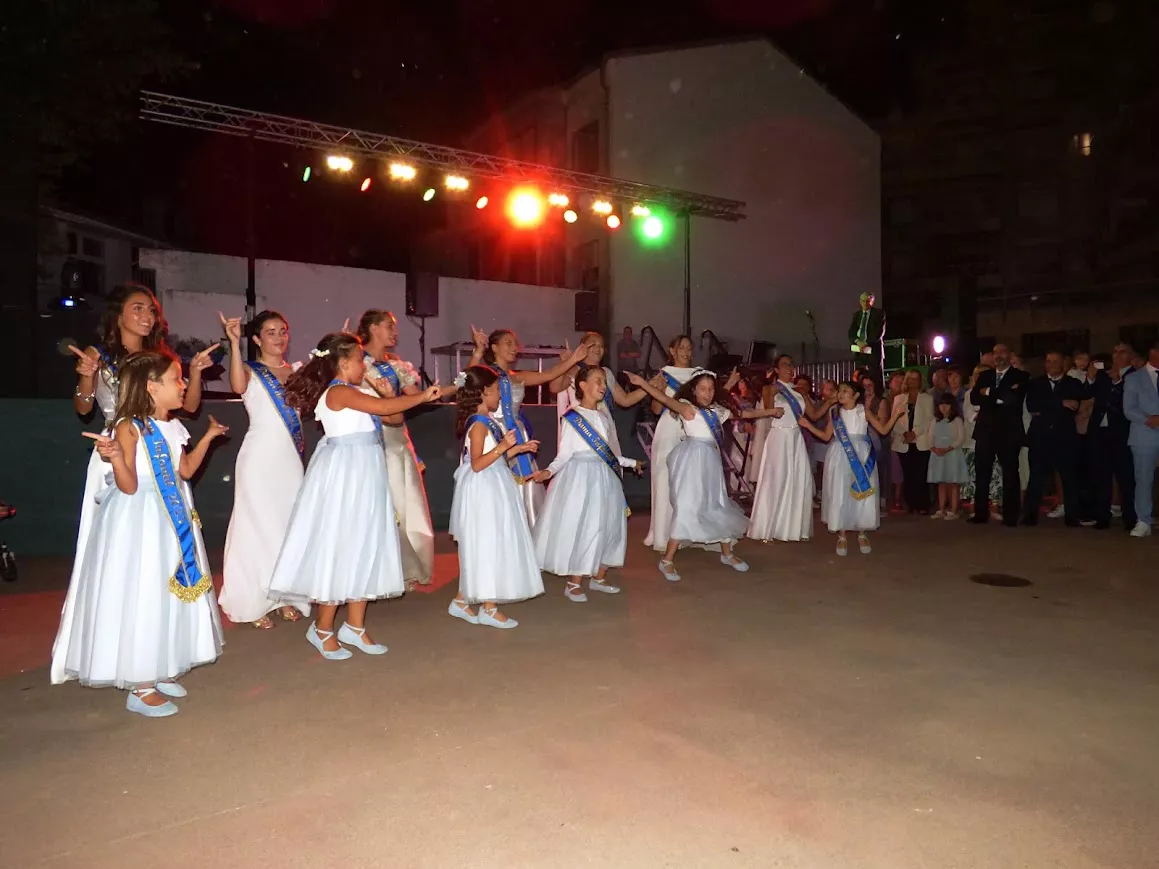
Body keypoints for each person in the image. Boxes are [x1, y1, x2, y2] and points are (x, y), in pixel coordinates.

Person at [51, 284, 216, 685]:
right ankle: (110, 646)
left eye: (151, 310)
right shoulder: (98, 355)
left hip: (163, 461)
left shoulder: (162, 357)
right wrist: (85, 378)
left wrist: (193, 372)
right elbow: (84, 407)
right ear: (119, 314)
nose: (147, 316)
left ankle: (161, 652)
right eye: (137, 308)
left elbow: (189, 406)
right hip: (119, 451)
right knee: (116, 557)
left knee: (163, 555)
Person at [268, 333, 441, 660]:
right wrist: (420, 397)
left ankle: (355, 626)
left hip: (366, 471)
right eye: (360, 360)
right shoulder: (339, 392)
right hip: (346, 476)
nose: (365, 365)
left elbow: (392, 417)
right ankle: (322, 629)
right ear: (344, 363)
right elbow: (385, 408)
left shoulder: (358, 391)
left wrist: (388, 392)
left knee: (365, 544)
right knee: (342, 546)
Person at [627, 369, 778, 580]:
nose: (707, 393)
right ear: (694, 391)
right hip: (691, 461)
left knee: (718, 503)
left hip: (711, 462)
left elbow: (744, 414)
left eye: (711, 389)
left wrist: (771, 412)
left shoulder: (717, 410)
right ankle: (667, 559)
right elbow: (663, 398)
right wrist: (642, 383)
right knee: (687, 506)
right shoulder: (687, 408)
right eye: (703, 389)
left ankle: (727, 553)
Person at [217, 311, 310, 629]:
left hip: (289, 459)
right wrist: (233, 343)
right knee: (255, 528)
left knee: (286, 526)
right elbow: (237, 386)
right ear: (256, 338)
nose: (279, 337)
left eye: (283, 331)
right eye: (271, 332)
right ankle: (254, 601)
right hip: (258, 459)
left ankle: (283, 595)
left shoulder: (297, 371)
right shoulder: (249, 370)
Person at [533, 366, 643, 602]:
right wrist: (548, 471)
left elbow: (609, 453)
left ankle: (599, 576)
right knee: (585, 526)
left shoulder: (603, 417)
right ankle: (574, 582)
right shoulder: (573, 417)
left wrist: (631, 463)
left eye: (604, 381)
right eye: (597, 381)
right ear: (582, 385)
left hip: (605, 477)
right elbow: (565, 454)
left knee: (609, 525)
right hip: (581, 477)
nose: (603, 386)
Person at [448, 367, 544, 626]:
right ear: (483, 392)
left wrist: (518, 449)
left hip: (493, 483)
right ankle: (488, 608)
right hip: (484, 488)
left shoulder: (485, 421)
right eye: (495, 391)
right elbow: (478, 463)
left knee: (490, 542)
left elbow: (494, 457)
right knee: (489, 543)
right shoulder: (479, 424)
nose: (500, 397)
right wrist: (503, 446)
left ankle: (461, 600)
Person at [469, 326, 592, 527]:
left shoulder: (517, 376)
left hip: (517, 434)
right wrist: (478, 351)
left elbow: (549, 375)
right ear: (494, 347)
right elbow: (467, 380)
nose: (514, 348)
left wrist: (574, 359)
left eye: (515, 344)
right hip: (495, 433)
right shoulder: (486, 375)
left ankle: (527, 529)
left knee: (526, 485)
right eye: (508, 343)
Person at [358, 310, 438, 589]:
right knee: (382, 505)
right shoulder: (356, 362)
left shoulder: (395, 364)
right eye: (389, 326)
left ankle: (407, 568)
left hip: (399, 439)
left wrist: (448, 388)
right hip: (372, 438)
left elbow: (418, 398)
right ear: (372, 328)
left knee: (407, 504)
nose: (395, 332)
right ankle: (380, 571)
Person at [808, 381, 904, 555]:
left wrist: (895, 415)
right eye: (840, 391)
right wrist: (807, 425)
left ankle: (862, 532)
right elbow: (826, 436)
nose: (841, 394)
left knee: (862, 492)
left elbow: (883, 430)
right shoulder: (834, 412)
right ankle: (842, 535)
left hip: (861, 455)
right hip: (839, 454)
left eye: (845, 391)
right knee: (840, 492)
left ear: (856, 395)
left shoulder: (863, 411)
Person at [748, 355, 816, 542]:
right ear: (777, 369)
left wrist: (830, 401)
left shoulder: (798, 391)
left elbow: (814, 415)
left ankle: (792, 528)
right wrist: (775, 392)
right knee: (776, 480)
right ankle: (769, 528)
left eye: (791, 364)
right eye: (785, 364)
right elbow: (771, 411)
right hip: (779, 436)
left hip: (796, 438)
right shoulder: (770, 388)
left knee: (797, 480)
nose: (789, 367)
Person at [549, 331, 648, 456]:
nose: (598, 348)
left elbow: (625, 400)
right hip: (582, 426)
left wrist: (649, 387)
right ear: (582, 347)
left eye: (601, 346)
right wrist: (564, 363)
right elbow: (554, 387)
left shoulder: (606, 373)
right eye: (593, 344)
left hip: (604, 425)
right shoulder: (575, 369)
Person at [1022, 351, 1085, 526]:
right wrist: (1060, 403)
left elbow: (1074, 406)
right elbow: (1033, 406)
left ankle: (1072, 517)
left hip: (1064, 437)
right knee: (1036, 478)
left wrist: (1048, 406)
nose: (1051, 365)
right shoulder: (1035, 383)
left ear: (1063, 363)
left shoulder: (1073, 383)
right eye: (1048, 361)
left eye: (1055, 361)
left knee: (1069, 478)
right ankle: (1029, 516)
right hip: (1040, 437)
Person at [968, 344, 1030, 526]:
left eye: (1002, 352)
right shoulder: (985, 375)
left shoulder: (1021, 376)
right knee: (982, 473)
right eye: (995, 352)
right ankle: (980, 513)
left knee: (1010, 473)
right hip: (985, 431)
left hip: (1008, 432)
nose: (998, 356)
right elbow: (974, 398)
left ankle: (1011, 516)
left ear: (1009, 355)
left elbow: (1012, 399)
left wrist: (987, 392)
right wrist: (999, 394)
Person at [1088, 344, 1137, 530]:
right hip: (1100, 432)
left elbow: (1130, 403)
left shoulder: (1136, 376)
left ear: (1131, 356)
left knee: (1126, 477)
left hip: (1122, 433)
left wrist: (1117, 382)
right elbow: (1086, 393)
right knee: (1102, 476)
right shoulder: (1103, 375)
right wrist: (1090, 378)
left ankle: (1130, 518)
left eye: (1122, 352)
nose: (1117, 355)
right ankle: (1102, 517)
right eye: (1115, 352)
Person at [1123, 339, 1159, 538]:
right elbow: (1129, 409)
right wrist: (1150, 419)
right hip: (1144, 434)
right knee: (1144, 479)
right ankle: (1144, 520)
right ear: (1153, 352)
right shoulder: (1134, 378)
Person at [889, 369, 935, 514]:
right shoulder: (899, 398)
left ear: (920, 381)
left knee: (921, 474)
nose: (912, 382)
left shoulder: (927, 398)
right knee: (908, 475)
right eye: (910, 379)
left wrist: (914, 433)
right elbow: (894, 420)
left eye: (915, 379)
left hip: (920, 440)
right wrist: (904, 433)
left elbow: (929, 419)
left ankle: (923, 505)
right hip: (903, 441)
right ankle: (911, 504)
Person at [961, 364, 1002, 517]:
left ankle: (994, 505)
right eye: (977, 374)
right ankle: (975, 506)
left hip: (993, 439)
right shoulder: (969, 394)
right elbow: (970, 416)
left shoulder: (995, 392)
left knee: (995, 474)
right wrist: (985, 414)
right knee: (974, 475)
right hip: (972, 441)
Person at [927, 394, 968, 519]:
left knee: (953, 483)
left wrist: (949, 448)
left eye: (947, 404)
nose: (944, 407)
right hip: (938, 454)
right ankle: (941, 509)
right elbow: (930, 437)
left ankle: (954, 510)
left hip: (953, 453)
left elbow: (961, 437)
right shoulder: (934, 420)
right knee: (941, 482)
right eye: (941, 404)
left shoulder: (957, 420)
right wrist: (934, 448)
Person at [849, 291, 885, 378]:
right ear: (860, 301)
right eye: (863, 301)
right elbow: (851, 332)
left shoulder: (878, 313)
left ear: (872, 302)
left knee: (875, 375)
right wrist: (857, 341)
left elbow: (879, 332)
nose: (865, 303)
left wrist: (865, 343)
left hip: (873, 349)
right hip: (859, 349)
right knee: (859, 375)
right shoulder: (857, 314)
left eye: (868, 301)